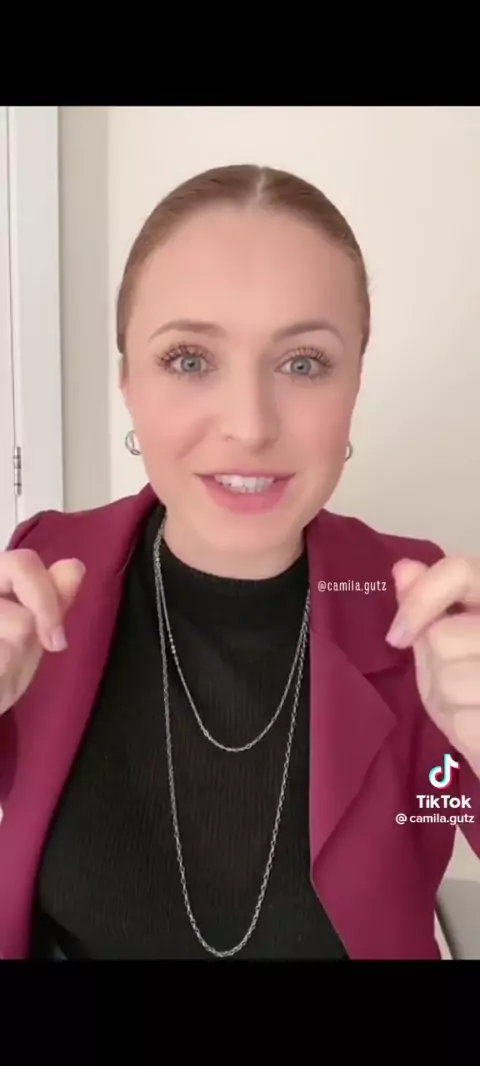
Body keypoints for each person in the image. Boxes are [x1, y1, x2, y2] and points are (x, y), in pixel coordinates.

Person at [0, 163, 479, 962]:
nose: (250, 427)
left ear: (355, 384)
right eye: (190, 359)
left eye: (304, 363)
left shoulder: (429, 613)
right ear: (127, 383)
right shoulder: (43, 571)